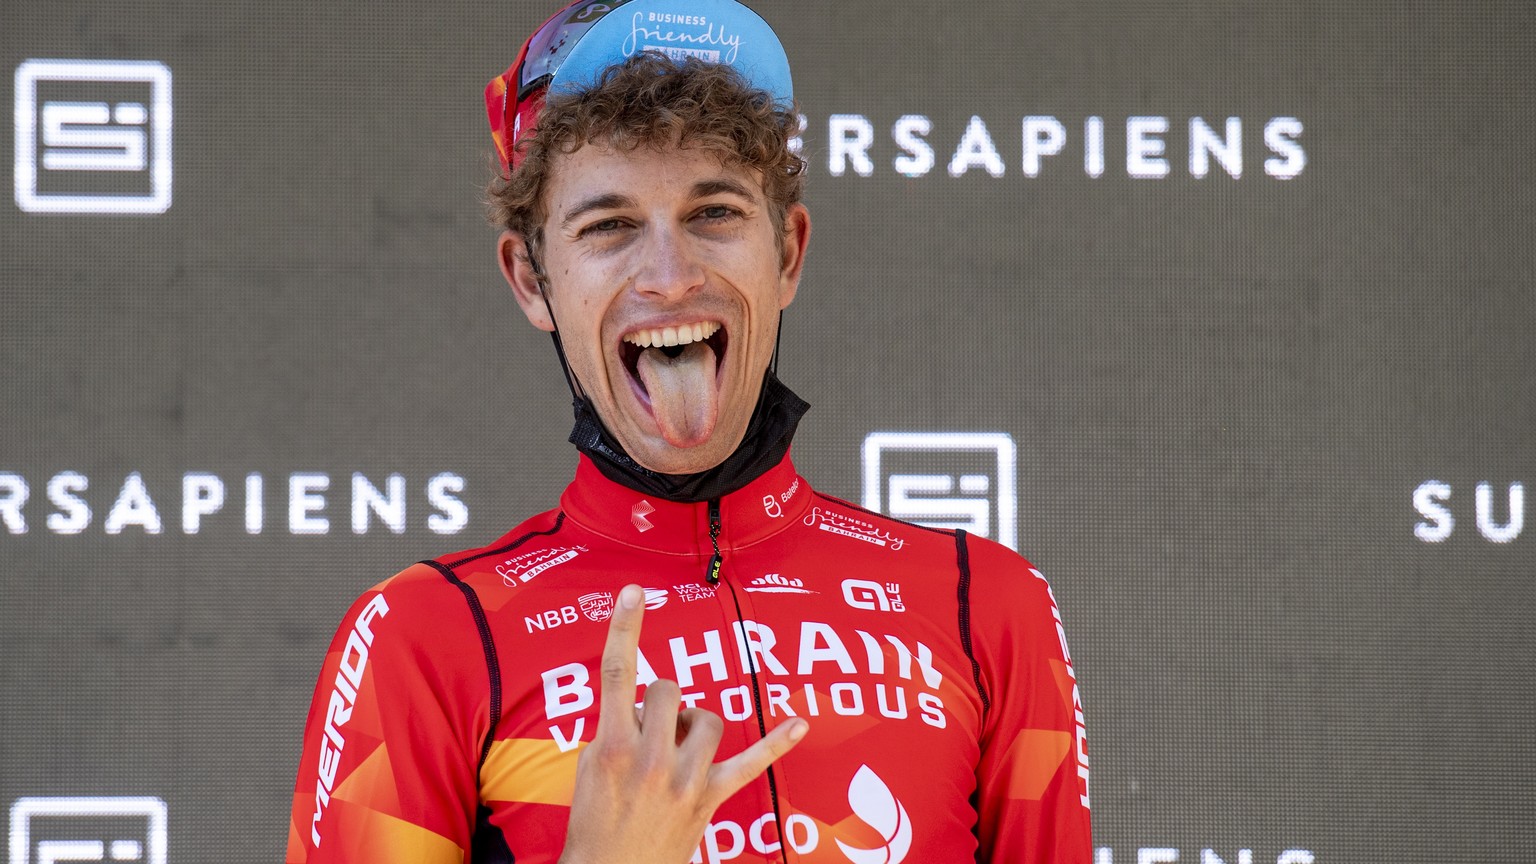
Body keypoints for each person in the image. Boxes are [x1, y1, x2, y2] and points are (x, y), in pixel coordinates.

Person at [287, 1, 1091, 861]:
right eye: (610, 226)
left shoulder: (986, 606)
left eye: (714, 214)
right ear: (531, 279)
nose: (669, 278)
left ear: (787, 253)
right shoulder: (423, 638)